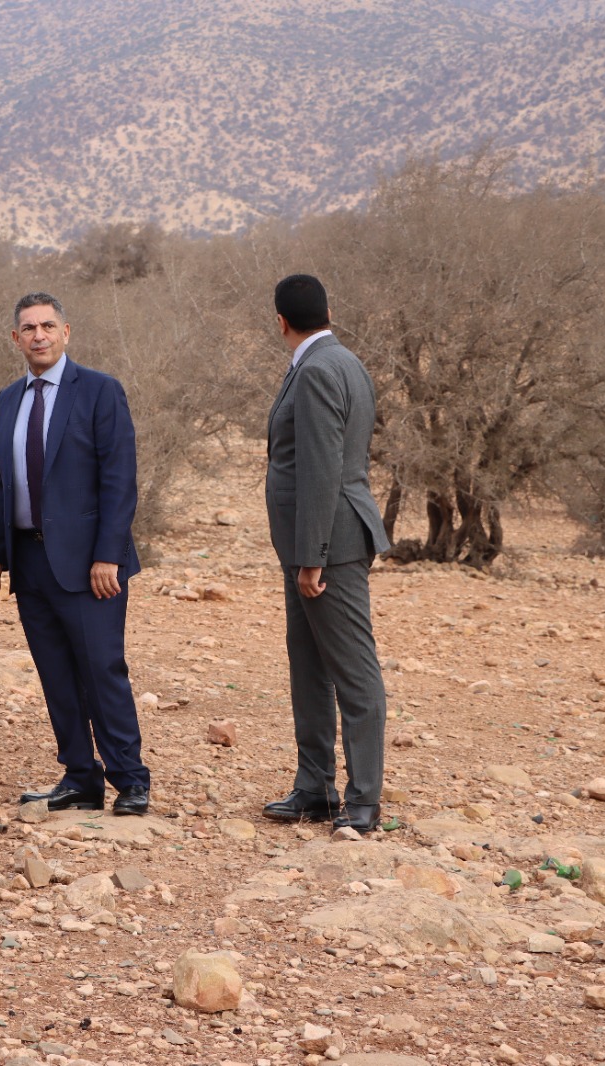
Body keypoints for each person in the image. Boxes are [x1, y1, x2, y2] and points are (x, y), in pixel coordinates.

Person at [0, 293, 149, 815]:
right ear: (16, 339)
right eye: (29, 328)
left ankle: (130, 780)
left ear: (66, 332)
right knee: (55, 674)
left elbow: (119, 479)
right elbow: (2, 482)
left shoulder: (99, 390)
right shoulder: (9, 399)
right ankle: (80, 778)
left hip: (90, 564)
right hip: (29, 561)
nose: (39, 336)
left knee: (101, 670)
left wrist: (108, 555)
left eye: (48, 326)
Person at [260, 274, 391, 834]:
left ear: (281, 322)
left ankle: (363, 800)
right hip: (311, 544)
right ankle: (314, 788)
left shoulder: (315, 369)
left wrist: (311, 555)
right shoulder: (345, 360)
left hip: (327, 545)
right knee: (308, 663)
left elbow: (321, 467)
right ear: (327, 311)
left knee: (354, 671)